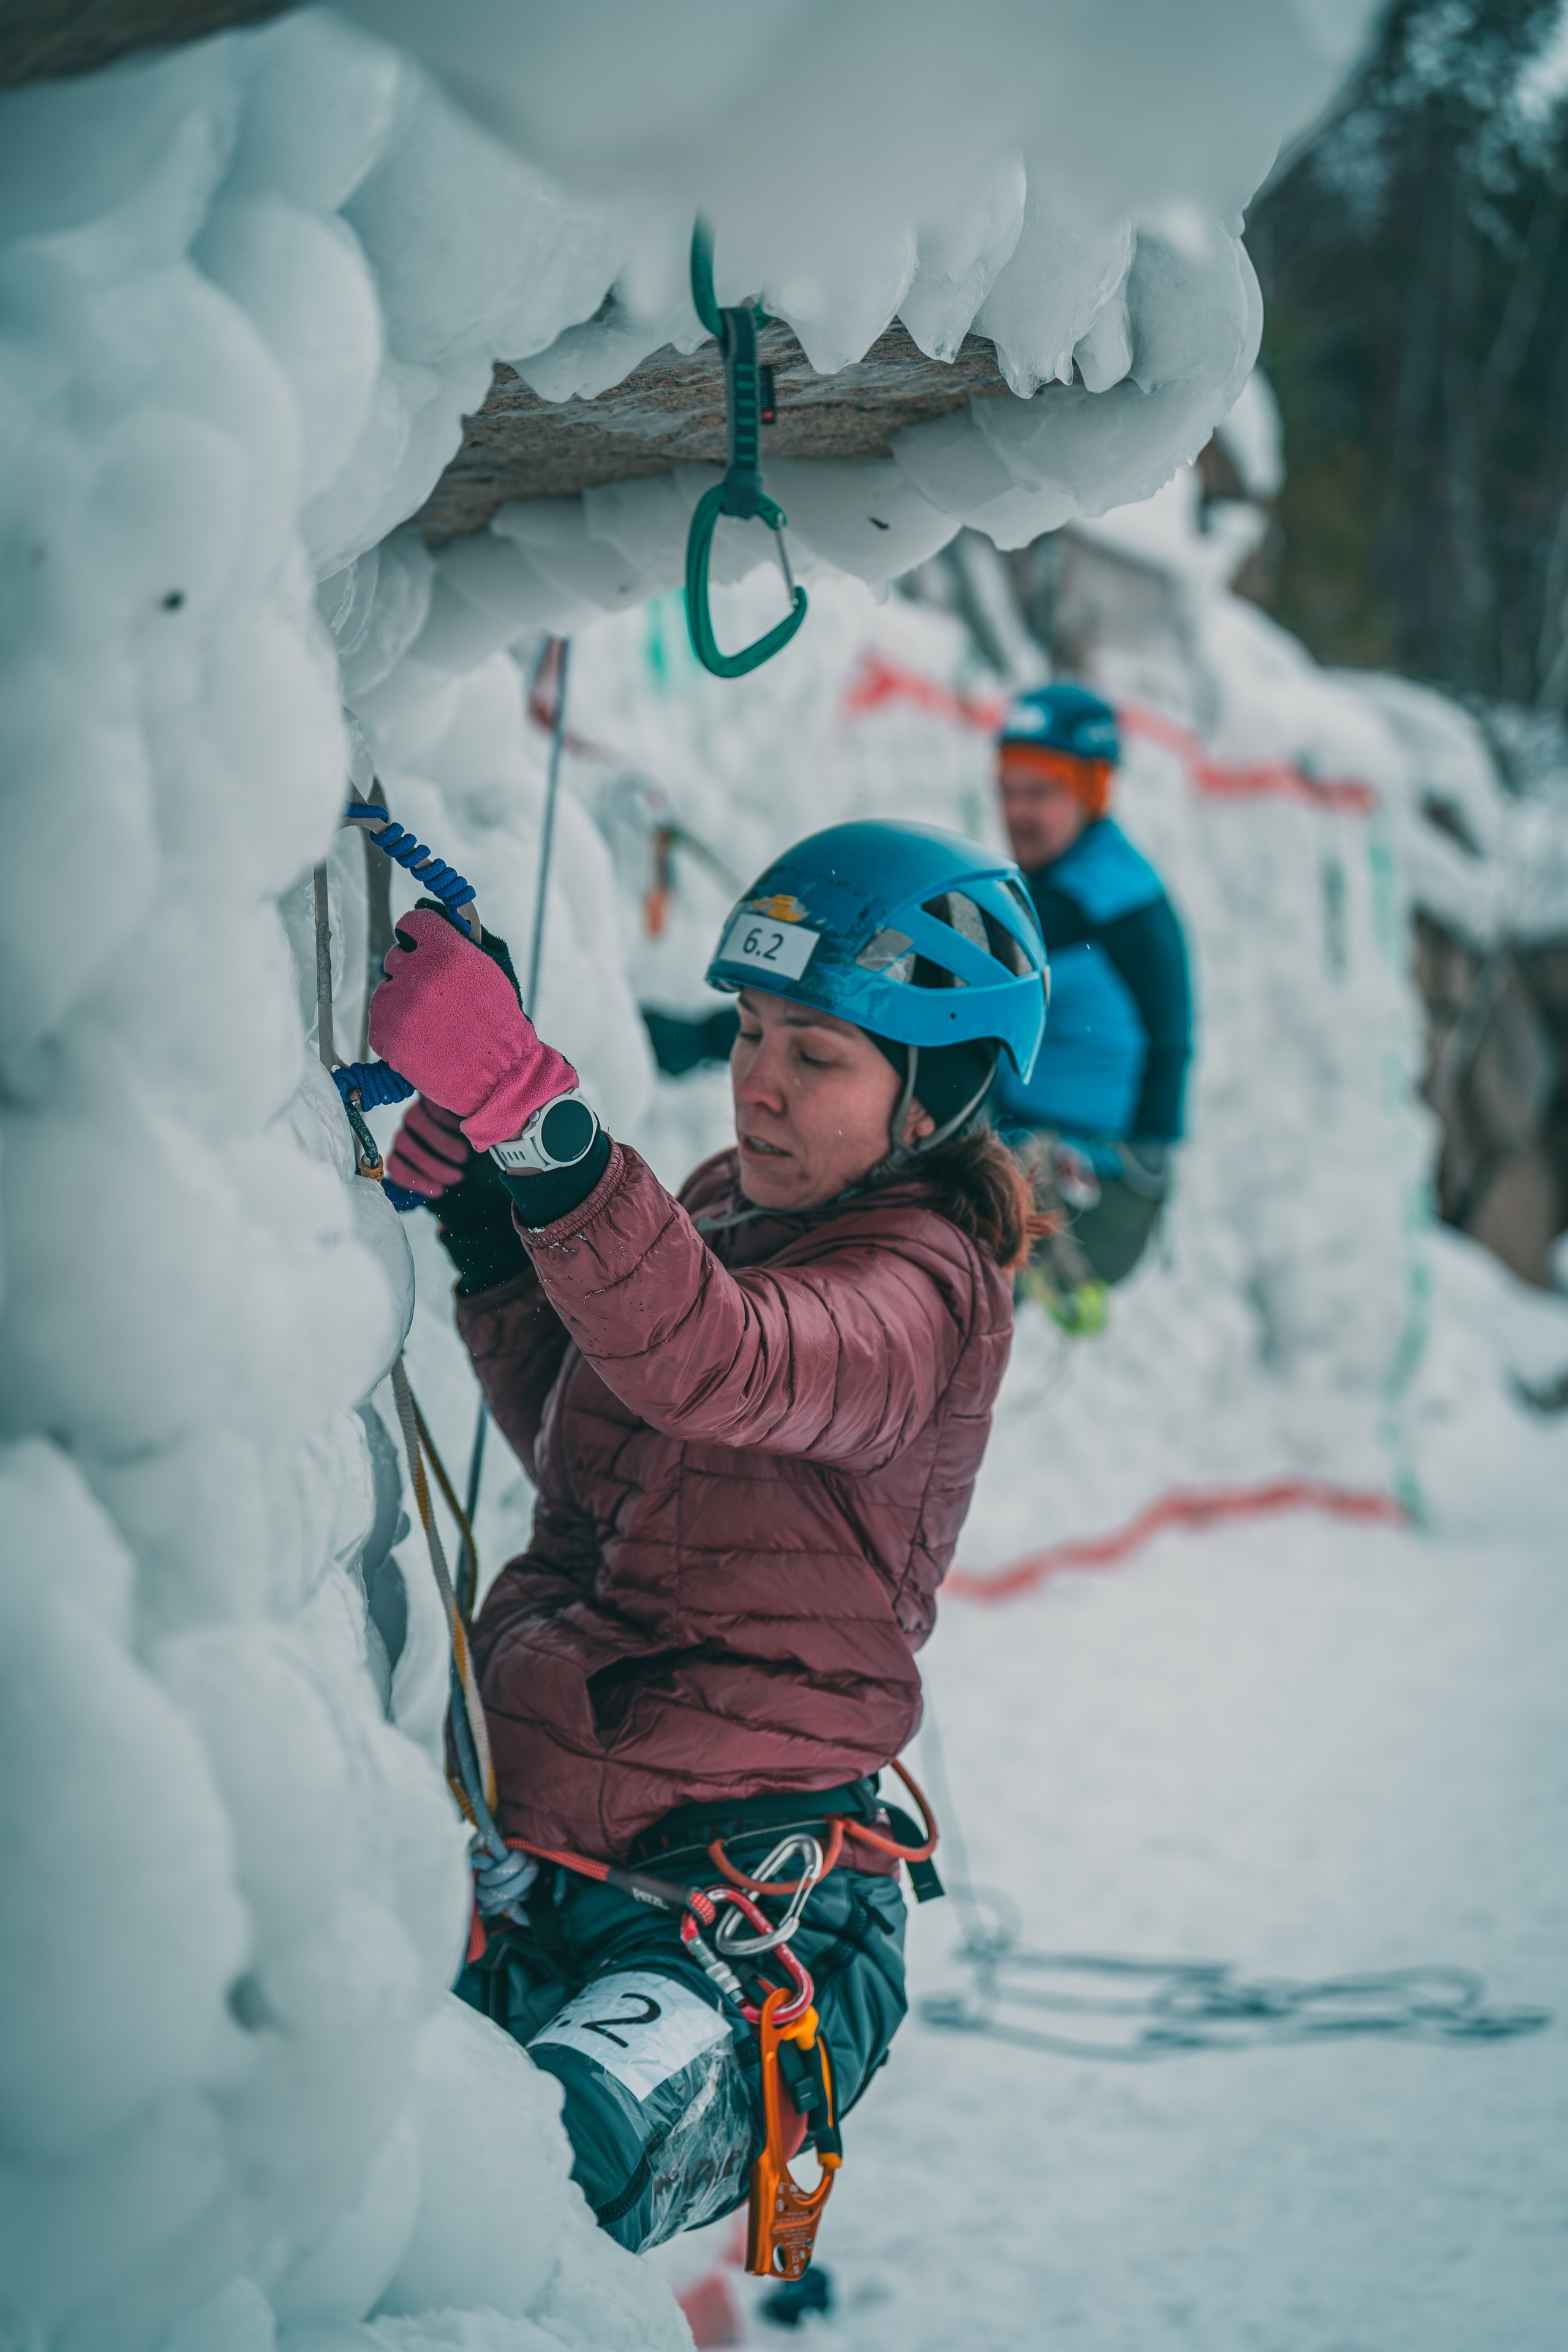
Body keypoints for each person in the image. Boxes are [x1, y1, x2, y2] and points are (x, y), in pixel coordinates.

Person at [369, 820, 1049, 2255]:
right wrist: (494, 1217)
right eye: (747, 1031)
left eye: (818, 1054)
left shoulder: (924, 1291)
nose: (756, 1080)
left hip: (744, 1918)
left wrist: (536, 1123)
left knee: (507, 2209)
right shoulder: (727, 1207)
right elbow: (598, 1447)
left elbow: (716, 1361)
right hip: (544, 1857)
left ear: (931, 1097)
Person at [990, 682, 1193, 1333]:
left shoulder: (1091, 902)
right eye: (1007, 790)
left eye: (1040, 791)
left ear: (1093, 792)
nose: (1017, 811)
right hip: (1061, 1153)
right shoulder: (1086, 879)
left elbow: (944, 967)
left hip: (1099, 1186)